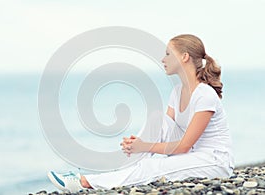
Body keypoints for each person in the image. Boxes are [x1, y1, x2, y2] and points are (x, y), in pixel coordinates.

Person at [47, 34, 234, 193]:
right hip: (193, 152)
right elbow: (164, 128)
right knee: (157, 119)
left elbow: (184, 146)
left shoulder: (205, 94)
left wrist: (144, 145)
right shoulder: (178, 91)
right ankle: (124, 170)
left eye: (168, 54)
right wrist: (137, 145)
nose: (163, 59)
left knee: (151, 166)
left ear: (184, 57)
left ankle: (84, 182)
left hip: (214, 160)